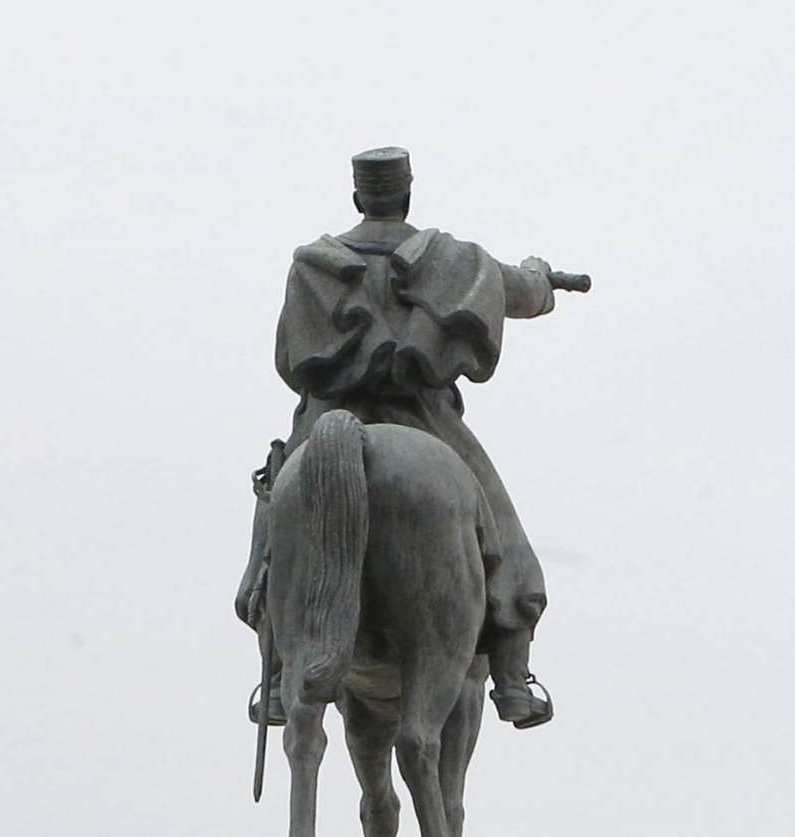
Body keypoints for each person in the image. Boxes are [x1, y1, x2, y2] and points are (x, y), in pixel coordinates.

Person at [240, 147, 576, 732]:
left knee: (274, 528)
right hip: (423, 418)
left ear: (357, 199)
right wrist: (542, 277)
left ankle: (275, 674)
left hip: (325, 418)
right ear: (408, 196)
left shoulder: (312, 265)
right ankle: (513, 679)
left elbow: (289, 357)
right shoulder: (453, 261)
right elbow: (521, 291)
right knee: (508, 545)